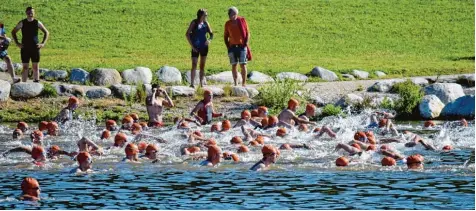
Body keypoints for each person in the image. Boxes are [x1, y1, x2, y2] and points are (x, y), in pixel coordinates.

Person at [11, 6, 50, 82]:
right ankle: (24, 85)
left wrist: (43, 43)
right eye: (28, 12)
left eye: (31, 12)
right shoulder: (22, 22)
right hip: (25, 48)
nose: (30, 13)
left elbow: (46, 32)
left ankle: (36, 83)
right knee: (25, 67)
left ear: (34, 13)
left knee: (35, 67)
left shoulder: (37, 22)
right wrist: (17, 43)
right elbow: (13, 32)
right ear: (26, 13)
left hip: (35, 48)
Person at [224, 6, 252, 87]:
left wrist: (245, 43)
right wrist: (228, 46)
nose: (230, 16)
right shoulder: (227, 23)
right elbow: (225, 36)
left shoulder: (242, 21)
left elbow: (247, 33)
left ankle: (244, 83)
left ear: (235, 14)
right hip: (232, 47)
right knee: (234, 65)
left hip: (242, 47)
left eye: (231, 15)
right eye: (229, 15)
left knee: (243, 64)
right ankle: (235, 83)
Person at [186, 9, 214, 88]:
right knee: (194, 64)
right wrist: (192, 46)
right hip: (195, 47)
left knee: (202, 65)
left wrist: (209, 40)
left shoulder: (206, 23)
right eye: (205, 15)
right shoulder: (194, 23)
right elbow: (187, 34)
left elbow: (211, 34)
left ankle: (201, 83)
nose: (206, 16)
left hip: (204, 47)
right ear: (201, 15)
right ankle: (192, 83)